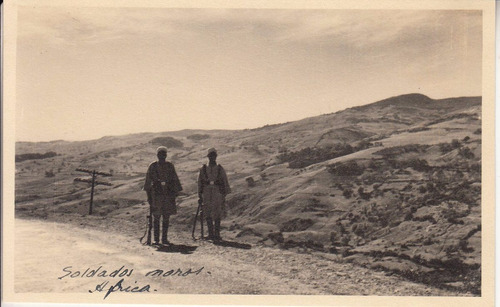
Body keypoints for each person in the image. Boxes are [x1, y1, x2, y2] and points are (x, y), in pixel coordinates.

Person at [144, 146, 182, 245]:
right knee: (156, 217)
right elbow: (148, 182)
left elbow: (175, 180)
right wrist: (149, 197)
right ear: (157, 155)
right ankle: (156, 239)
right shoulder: (152, 166)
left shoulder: (170, 166)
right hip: (156, 195)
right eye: (160, 154)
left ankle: (164, 239)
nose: (162, 156)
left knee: (166, 217)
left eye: (164, 154)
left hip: (168, 196)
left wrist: (174, 193)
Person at [197, 148, 231, 241]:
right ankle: (210, 234)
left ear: (216, 157)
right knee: (207, 212)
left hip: (217, 192)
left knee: (217, 212)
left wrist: (224, 194)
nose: (212, 158)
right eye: (210, 156)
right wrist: (199, 195)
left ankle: (217, 234)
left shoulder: (220, 168)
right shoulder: (203, 169)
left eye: (214, 156)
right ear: (208, 157)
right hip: (206, 192)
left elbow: (224, 181)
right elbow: (200, 182)